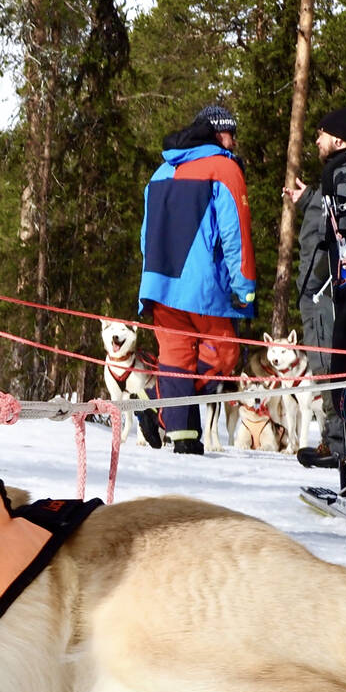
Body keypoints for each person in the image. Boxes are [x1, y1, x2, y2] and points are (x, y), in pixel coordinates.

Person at [138, 104, 255, 455]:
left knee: (176, 359)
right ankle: (162, 407)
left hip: (159, 284)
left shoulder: (160, 171)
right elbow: (236, 232)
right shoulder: (224, 168)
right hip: (204, 287)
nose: (234, 140)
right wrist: (244, 286)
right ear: (216, 133)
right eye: (230, 132)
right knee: (223, 357)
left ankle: (183, 438)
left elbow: (146, 235)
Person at [287, 108, 346, 505]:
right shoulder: (340, 171)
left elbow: (344, 232)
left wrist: (315, 287)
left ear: (339, 138)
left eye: (322, 134)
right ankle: (345, 459)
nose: (316, 141)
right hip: (334, 292)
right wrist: (310, 199)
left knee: (341, 376)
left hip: (336, 294)